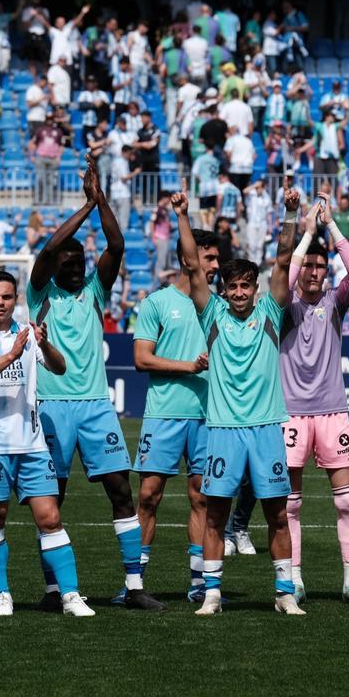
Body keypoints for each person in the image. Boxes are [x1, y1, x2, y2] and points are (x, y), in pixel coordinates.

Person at [28, 157, 165, 612]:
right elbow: (48, 248)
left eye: (79, 259)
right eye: (68, 258)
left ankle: (133, 584)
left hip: (95, 407)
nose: (73, 263)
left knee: (120, 490)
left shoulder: (94, 290)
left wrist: (100, 199)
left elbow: (118, 245)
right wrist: (84, 209)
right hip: (49, 403)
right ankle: (54, 590)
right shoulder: (40, 291)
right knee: (53, 497)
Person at [173, 185, 302, 616]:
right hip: (224, 430)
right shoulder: (211, 313)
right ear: (223, 289)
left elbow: (284, 260)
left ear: (255, 288)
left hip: (266, 427)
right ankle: (211, 594)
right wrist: (182, 216)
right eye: (234, 286)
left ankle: (285, 592)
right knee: (214, 515)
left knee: (277, 515)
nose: (241, 292)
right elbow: (192, 264)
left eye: (247, 285)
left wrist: (290, 214)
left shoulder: (270, 312)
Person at [0, 270, 91, 617]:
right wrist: (11, 356)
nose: (0, 302)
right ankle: (2, 594)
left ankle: (71, 595)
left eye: (6, 296)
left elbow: (60, 368)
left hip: (32, 446)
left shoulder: (30, 334)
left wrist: (43, 344)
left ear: (15, 299)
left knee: (50, 518)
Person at [279, 193, 349, 606]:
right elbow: (284, 277)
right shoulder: (282, 306)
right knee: (290, 505)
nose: (316, 271)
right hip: (291, 414)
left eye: (322, 266)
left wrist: (331, 225)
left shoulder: (335, 303)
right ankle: (297, 580)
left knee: (347, 500)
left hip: (332, 412)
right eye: (311, 265)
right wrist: (305, 236)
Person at [131, 226, 220, 604]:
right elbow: (141, 358)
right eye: (210, 258)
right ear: (189, 257)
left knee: (201, 498)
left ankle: (199, 583)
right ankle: (134, 582)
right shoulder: (156, 303)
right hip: (164, 414)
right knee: (149, 496)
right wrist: (190, 367)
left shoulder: (218, 305)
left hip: (207, 416)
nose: (216, 265)